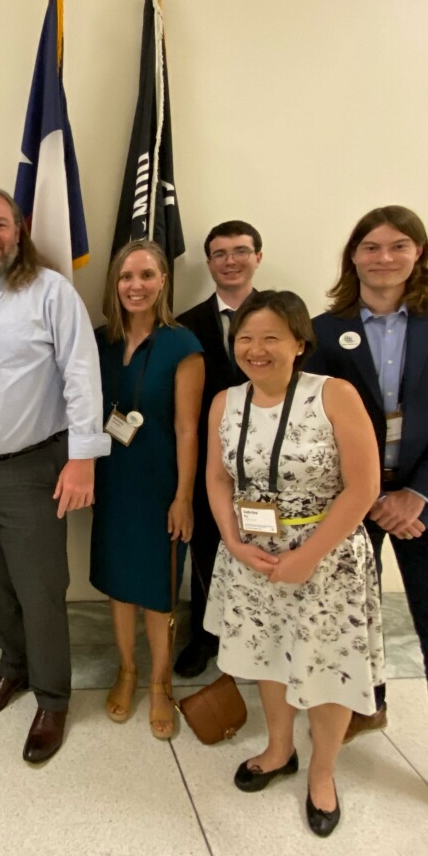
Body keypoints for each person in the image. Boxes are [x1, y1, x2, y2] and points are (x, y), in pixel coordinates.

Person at [0, 187, 110, 764]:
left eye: (0, 224)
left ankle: (54, 698)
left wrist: (82, 458)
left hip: (30, 469)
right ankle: (16, 667)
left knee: (39, 592)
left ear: (20, 229)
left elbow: (82, 375)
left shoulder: (51, 292)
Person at [306, 206, 428, 810]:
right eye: (370, 247)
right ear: (353, 256)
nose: (384, 258)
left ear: (418, 254)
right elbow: (318, 423)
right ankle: (365, 705)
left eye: (398, 246)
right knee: (354, 617)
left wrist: (415, 494)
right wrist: (370, 495)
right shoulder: (325, 332)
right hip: (355, 500)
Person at [203, 290, 383, 837]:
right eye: (246, 339)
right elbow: (217, 478)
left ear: (300, 343)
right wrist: (233, 543)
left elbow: (364, 488)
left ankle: (323, 773)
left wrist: (308, 555)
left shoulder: (334, 395)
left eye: (271, 338)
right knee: (266, 657)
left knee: (327, 670)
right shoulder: (226, 402)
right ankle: (279, 749)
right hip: (254, 558)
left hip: (325, 561)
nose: (256, 350)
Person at [90, 239, 203, 738]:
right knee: (119, 581)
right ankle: (127, 670)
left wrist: (183, 497)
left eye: (147, 276)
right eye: (126, 277)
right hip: (112, 479)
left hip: (160, 482)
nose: (135, 286)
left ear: (163, 282)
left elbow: (187, 429)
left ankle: (159, 682)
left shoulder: (183, 344)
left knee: (158, 587)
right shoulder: (99, 341)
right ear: (115, 284)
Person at [174, 220, 262, 677]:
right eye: (220, 253)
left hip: (272, 461)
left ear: (257, 258)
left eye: (240, 251)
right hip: (214, 460)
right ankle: (205, 637)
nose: (231, 261)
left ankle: (264, 637)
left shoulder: (283, 317)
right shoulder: (187, 325)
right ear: (208, 264)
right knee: (208, 546)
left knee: (270, 544)